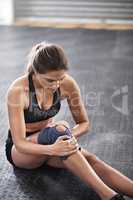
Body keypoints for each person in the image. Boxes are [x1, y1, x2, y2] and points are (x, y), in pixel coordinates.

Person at [5, 42, 133, 200]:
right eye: (50, 80)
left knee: (91, 159)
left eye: (61, 78)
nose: (56, 84)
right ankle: (109, 196)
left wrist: (67, 136)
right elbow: (20, 143)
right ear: (35, 72)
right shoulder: (18, 91)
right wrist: (53, 148)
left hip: (53, 143)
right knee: (56, 131)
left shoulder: (67, 84)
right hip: (23, 152)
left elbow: (84, 123)